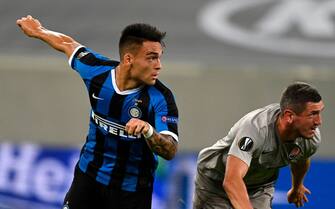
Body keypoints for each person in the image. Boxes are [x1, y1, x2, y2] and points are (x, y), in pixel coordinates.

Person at [16, 15, 179, 209]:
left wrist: (149, 131)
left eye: (159, 57)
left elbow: (170, 150)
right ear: (129, 59)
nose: (159, 65)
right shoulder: (97, 72)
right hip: (89, 178)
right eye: (152, 58)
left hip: (132, 191)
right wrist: (39, 31)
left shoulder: (161, 97)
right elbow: (68, 44)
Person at [193, 82, 324, 209]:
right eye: (313, 114)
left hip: (259, 188)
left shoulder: (311, 137)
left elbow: (301, 158)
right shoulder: (255, 130)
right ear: (289, 116)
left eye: (320, 112)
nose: (319, 122)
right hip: (215, 182)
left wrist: (297, 186)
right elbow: (232, 181)